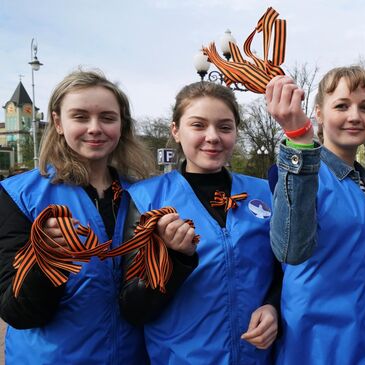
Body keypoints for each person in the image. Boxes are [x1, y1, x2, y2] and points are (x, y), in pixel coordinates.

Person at [120, 81, 281, 364]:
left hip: (257, 357)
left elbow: (284, 271)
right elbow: (134, 308)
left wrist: (273, 307)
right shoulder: (146, 199)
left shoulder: (264, 192)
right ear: (176, 130)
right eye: (198, 125)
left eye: (224, 127)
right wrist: (173, 259)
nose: (213, 136)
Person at [0, 69, 154, 363]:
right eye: (80, 117)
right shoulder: (18, 196)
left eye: (107, 118)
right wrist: (47, 259)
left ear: (122, 125)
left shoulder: (145, 196)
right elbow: (17, 313)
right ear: (58, 122)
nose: (95, 128)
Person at [265, 66, 365, 364]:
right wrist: (298, 140)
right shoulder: (308, 173)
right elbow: (290, 249)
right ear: (318, 113)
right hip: (315, 347)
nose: (355, 116)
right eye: (342, 106)